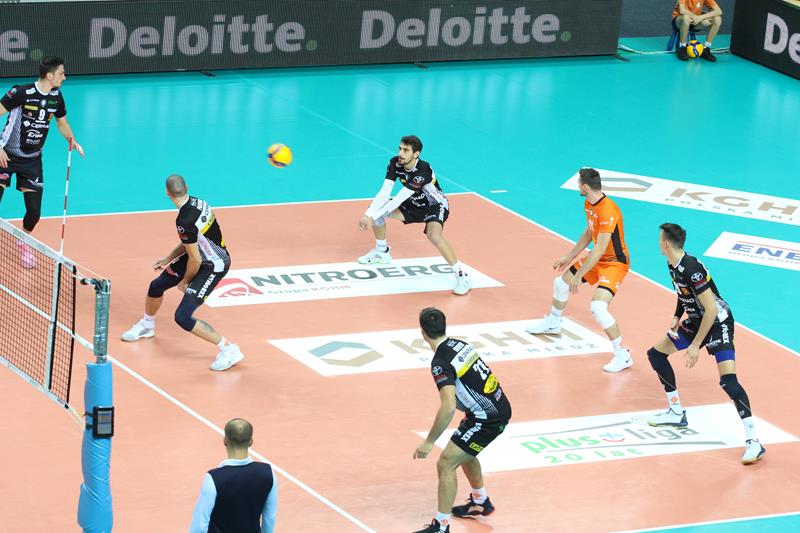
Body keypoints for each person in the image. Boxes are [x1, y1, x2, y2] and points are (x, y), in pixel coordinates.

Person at [646, 223, 765, 464]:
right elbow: (683, 294)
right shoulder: (672, 264)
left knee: (728, 381)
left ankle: (754, 441)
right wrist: (677, 316)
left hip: (718, 322)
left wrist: (694, 346)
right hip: (696, 320)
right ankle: (676, 412)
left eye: (660, 239)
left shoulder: (691, 268)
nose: (658, 243)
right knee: (656, 355)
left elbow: (710, 308)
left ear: (666, 243)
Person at [120, 174, 244, 372]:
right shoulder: (199, 203)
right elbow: (191, 242)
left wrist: (185, 281)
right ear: (186, 187)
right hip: (198, 254)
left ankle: (229, 349)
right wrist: (167, 259)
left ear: (167, 193)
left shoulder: (184, 220)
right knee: (156, 286)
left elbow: (195, 259)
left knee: (182, 317)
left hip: (214, 264)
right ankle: (147, 325)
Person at [412, 307, 511, 533]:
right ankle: (480, 501)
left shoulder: (440, 363)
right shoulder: (460, 344)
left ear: (423, 333)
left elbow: (448, 407)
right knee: (464, 450)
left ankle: (441, 526)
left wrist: (429, 441)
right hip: (494, 407)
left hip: (487, 418)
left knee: (446, 463)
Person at [527, 168, 633, 373]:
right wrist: (569, 257)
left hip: (614, 263)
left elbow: (600, 248)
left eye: (578, 184)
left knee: (598, 307)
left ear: (585, 186)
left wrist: (579, 275)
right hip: (598, 258)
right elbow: (589, 233)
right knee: (560, 283)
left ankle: (622, 354)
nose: (578, 186)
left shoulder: (608, 210)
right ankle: (553, 323)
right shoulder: (589, 203)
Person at [357, 135, 470, 295]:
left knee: (434, 235)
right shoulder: (394, 163)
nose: (400, 153)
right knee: (375, 210)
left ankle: (461, 275)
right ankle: (382, 252)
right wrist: (369, 214)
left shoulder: (423, 170)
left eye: (406, 150)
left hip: (434, 205)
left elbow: (399, 197)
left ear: (416, 154)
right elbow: (385, 191)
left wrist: (372, 217)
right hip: (413, 203)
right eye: (400, 149)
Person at [0, 56, 85, 267]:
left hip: (32, 160)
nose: (64, 77)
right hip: (6, 156)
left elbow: (61, 122)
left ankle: (23, 241)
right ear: (49, 75)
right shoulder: (21, 93)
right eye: (61, 73)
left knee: (34, 212)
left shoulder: (56, 97)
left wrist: (72, 140)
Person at [189, 418, 277, 533]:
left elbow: (199, 527)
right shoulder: (268, 473)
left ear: (225, 441)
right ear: (251, 441)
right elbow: (269, 519)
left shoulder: (213, 478)